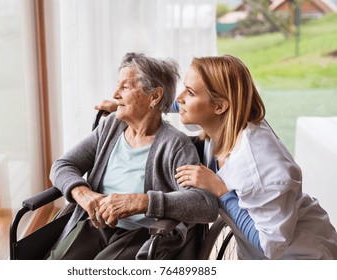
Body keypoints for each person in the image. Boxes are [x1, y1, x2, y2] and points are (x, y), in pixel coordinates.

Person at [95, 54, 337, 260]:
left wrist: (220, 191)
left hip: (301, 258)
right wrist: (137, 104)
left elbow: (270, 246)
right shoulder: (225, 123)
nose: (179, 98)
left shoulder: (260, 162)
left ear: (220, 106)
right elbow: (182, 105)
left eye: (189, 92)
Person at [47, 52, 218, 260]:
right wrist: (84, 194)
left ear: (154, 96)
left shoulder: (175, 145)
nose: (115, 93)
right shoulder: (111, 127)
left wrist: (141, 202)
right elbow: (63, 165)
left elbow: (204, 204)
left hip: (142, 233)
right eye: (117, 85)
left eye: (125, 87)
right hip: (95, 225)